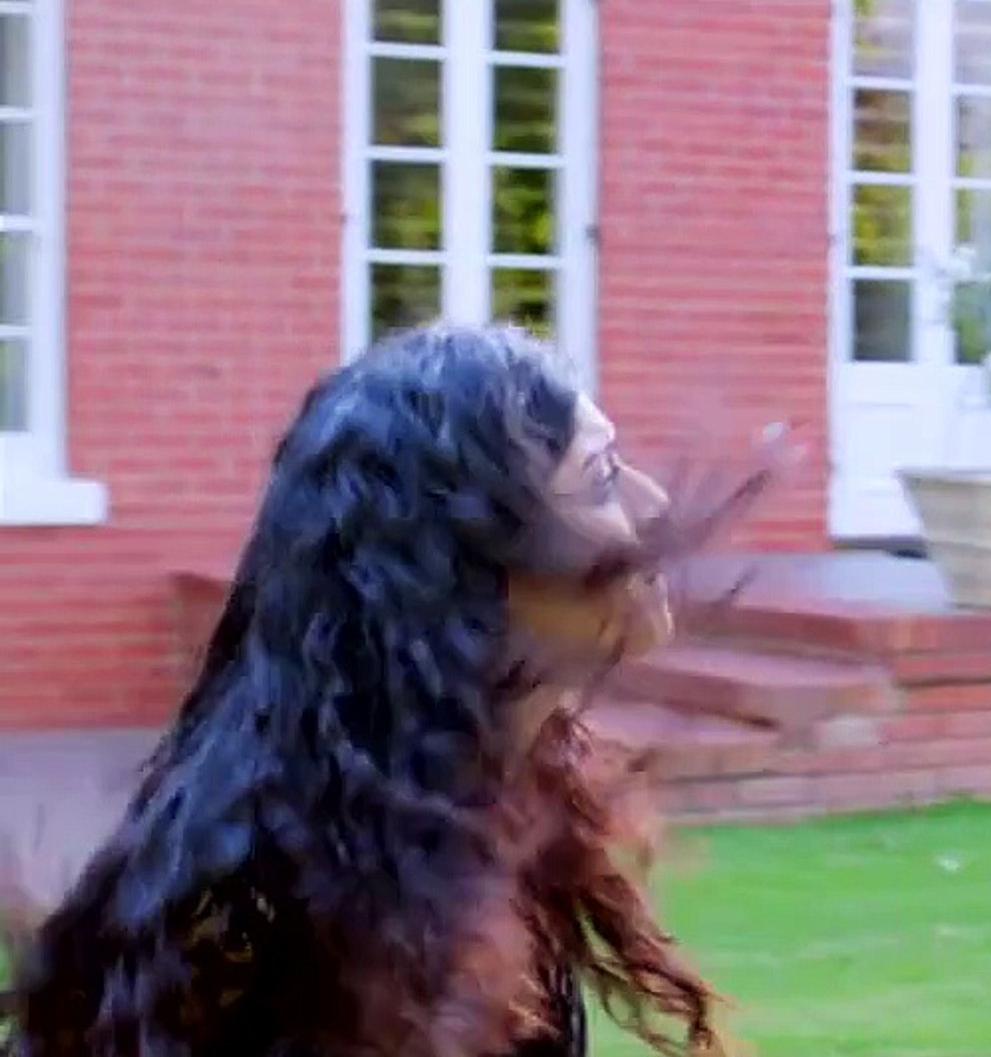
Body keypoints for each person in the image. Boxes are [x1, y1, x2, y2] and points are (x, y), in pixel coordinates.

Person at [1, 323, 788, 1056]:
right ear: (463, 568)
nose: (652, 505)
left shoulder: (471, 818)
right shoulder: (303, 913)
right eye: (601, 479)